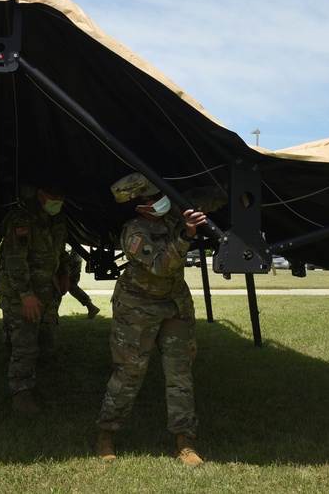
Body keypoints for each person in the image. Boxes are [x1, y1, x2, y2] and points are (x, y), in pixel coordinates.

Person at [95, 172, 226, 466]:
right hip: (136, 309)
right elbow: (160, 267)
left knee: (180, 374)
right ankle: (106, 434)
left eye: (161, 195)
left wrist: (233, 190)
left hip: (174, 305)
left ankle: (185, 442)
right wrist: (187, 235)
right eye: (153, 198)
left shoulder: (173, 214)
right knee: (129, 373)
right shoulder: (134, 232)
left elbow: (208, 198)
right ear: (140, 206)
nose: (161, 201)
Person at [0, 185, 71, 414]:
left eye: (61, 196)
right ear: (40, 195)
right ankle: (21, 394)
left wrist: (64, 273)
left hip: (47, 289)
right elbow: (15, 260)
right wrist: (26, 294)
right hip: (20, 292)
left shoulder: (56, 219)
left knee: (46, 340)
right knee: (25, 342)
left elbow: (61, 251)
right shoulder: (21, 219)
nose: (58, 200)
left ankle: (36, 384)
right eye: (54, 195)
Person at [66, 248, 100, 319]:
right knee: (70, 286)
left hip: (72, 261)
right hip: (72, 261)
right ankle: (91, 307)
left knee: (71, 286)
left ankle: (91, 307)